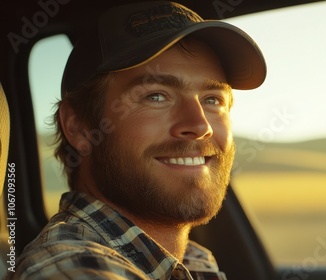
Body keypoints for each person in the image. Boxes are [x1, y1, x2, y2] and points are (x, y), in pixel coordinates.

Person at [6, 1, 266, 279]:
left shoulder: (187, 260)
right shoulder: (74, 267)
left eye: (212, 99)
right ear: (79, 127)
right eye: (155, 96)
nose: (200, 125)